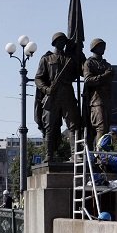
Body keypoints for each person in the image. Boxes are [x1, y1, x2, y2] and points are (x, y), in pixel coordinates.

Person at [34, 32, 84, 162]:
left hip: (67, 94)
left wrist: (79, 52)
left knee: (73, 125)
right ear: (55, 43)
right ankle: (49, 155)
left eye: (64, 41)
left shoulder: (71, 59)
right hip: (52, 95)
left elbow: (82, 71)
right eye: (60, 41)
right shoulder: (47, 59)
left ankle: (75, 154)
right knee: (49, 126)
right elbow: (38, 78)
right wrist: (46, 89)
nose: (63, 43)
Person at [83, 38, 113, 150]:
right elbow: (88, 80)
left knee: (106, 129)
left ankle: (104, 152)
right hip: (96, 100)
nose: (103, 49)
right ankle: (99, 154)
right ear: (94, 48)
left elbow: (110, 76)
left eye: (104, 46)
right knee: (101, 127)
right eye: (100, 46)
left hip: (107, 100)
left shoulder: (107, 64)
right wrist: (103, 76)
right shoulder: (89, 63)